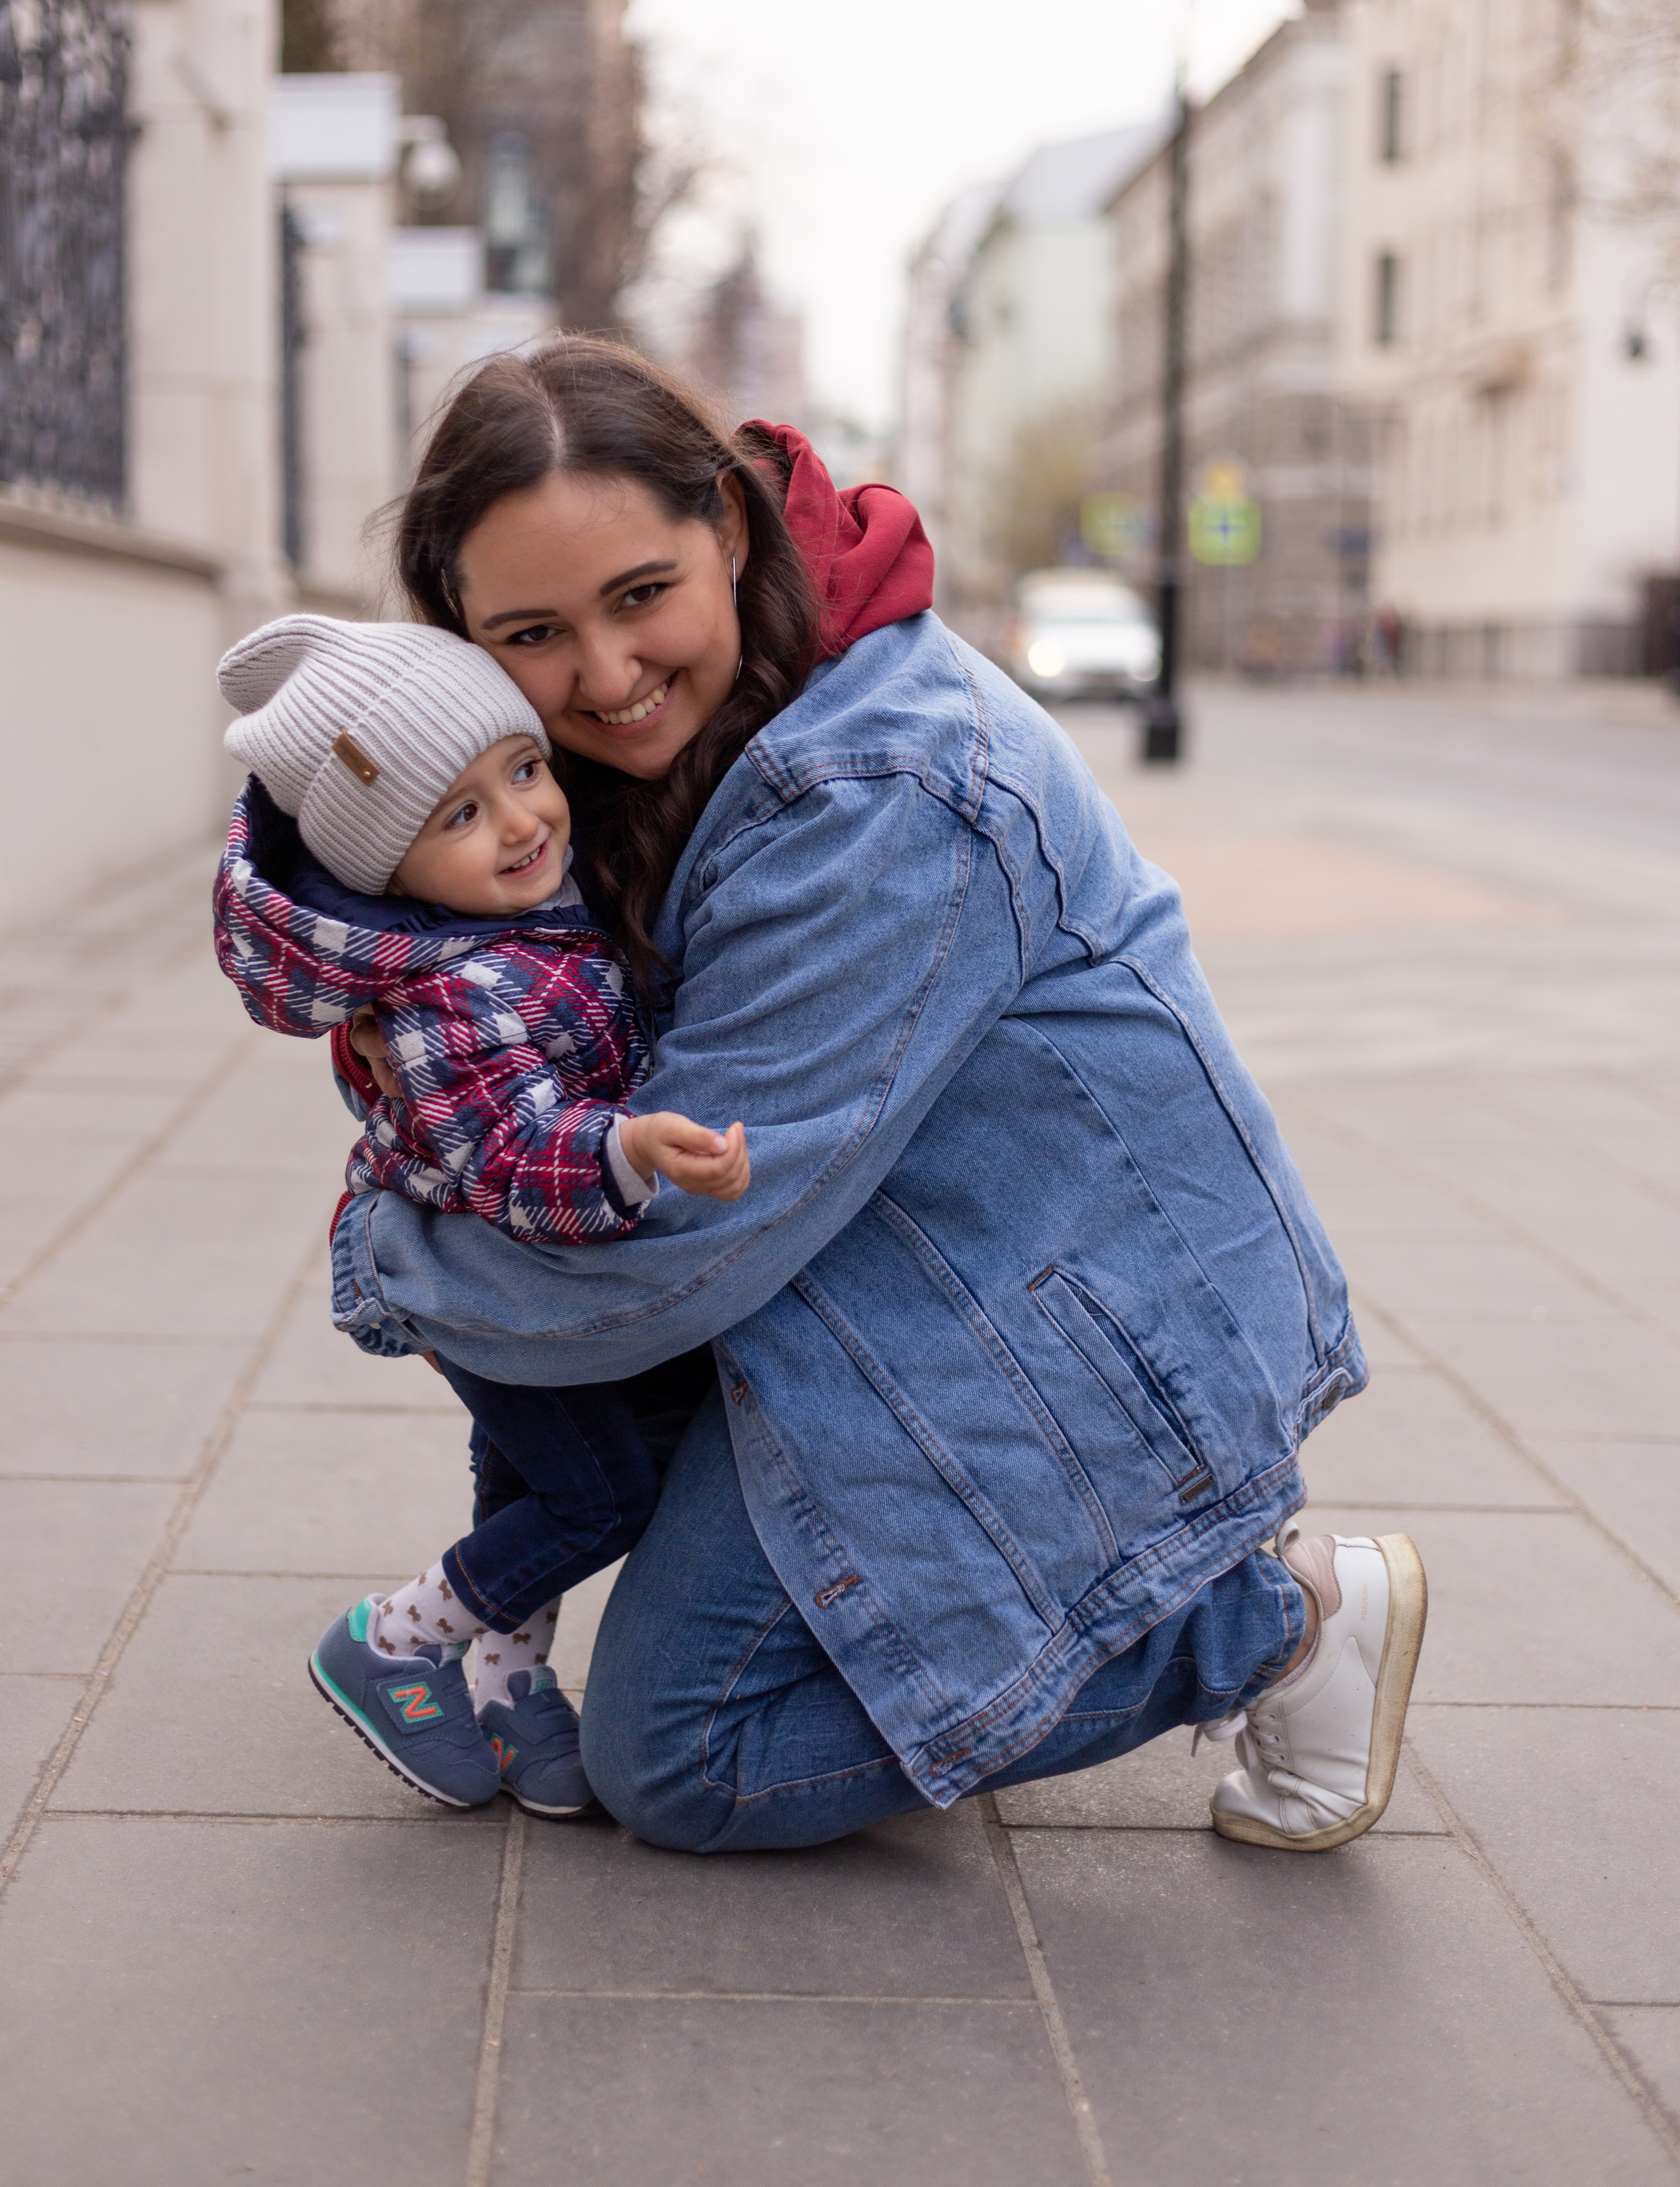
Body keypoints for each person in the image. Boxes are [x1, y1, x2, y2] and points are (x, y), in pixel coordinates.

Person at [329, 337, 1428, 1855]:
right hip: (867, 1270)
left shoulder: (877, 790)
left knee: (684, 1758)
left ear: (728, 523)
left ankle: (1277, 1622)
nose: (603, 677)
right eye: (530, 633)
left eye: (640, 596)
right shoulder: (620, 753)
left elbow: (677, 1253)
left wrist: (384, 1249)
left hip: (1039, 1315)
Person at [211, 614, 747, 1816]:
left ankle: (508, 1680)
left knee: (525, 1476)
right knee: (601, 1494)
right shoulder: (447, 993)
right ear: (388, 870)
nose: (521, 820)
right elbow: (504, 1153)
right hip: (488, 1275)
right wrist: (626, 1147)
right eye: (458, 815)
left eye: (522, 770)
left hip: (534, 1284)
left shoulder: (531, 914)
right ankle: (395, 1642)